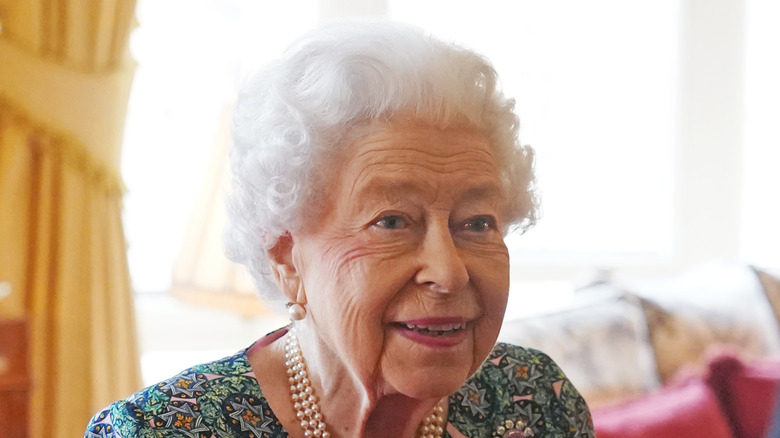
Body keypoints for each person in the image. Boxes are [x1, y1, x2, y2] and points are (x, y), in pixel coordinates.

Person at [85, 20, 595, 438]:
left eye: (477, 222)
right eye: (392, 221)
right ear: (287, 260)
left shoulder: (537, 405)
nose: (448, 272)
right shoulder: (161, 431)